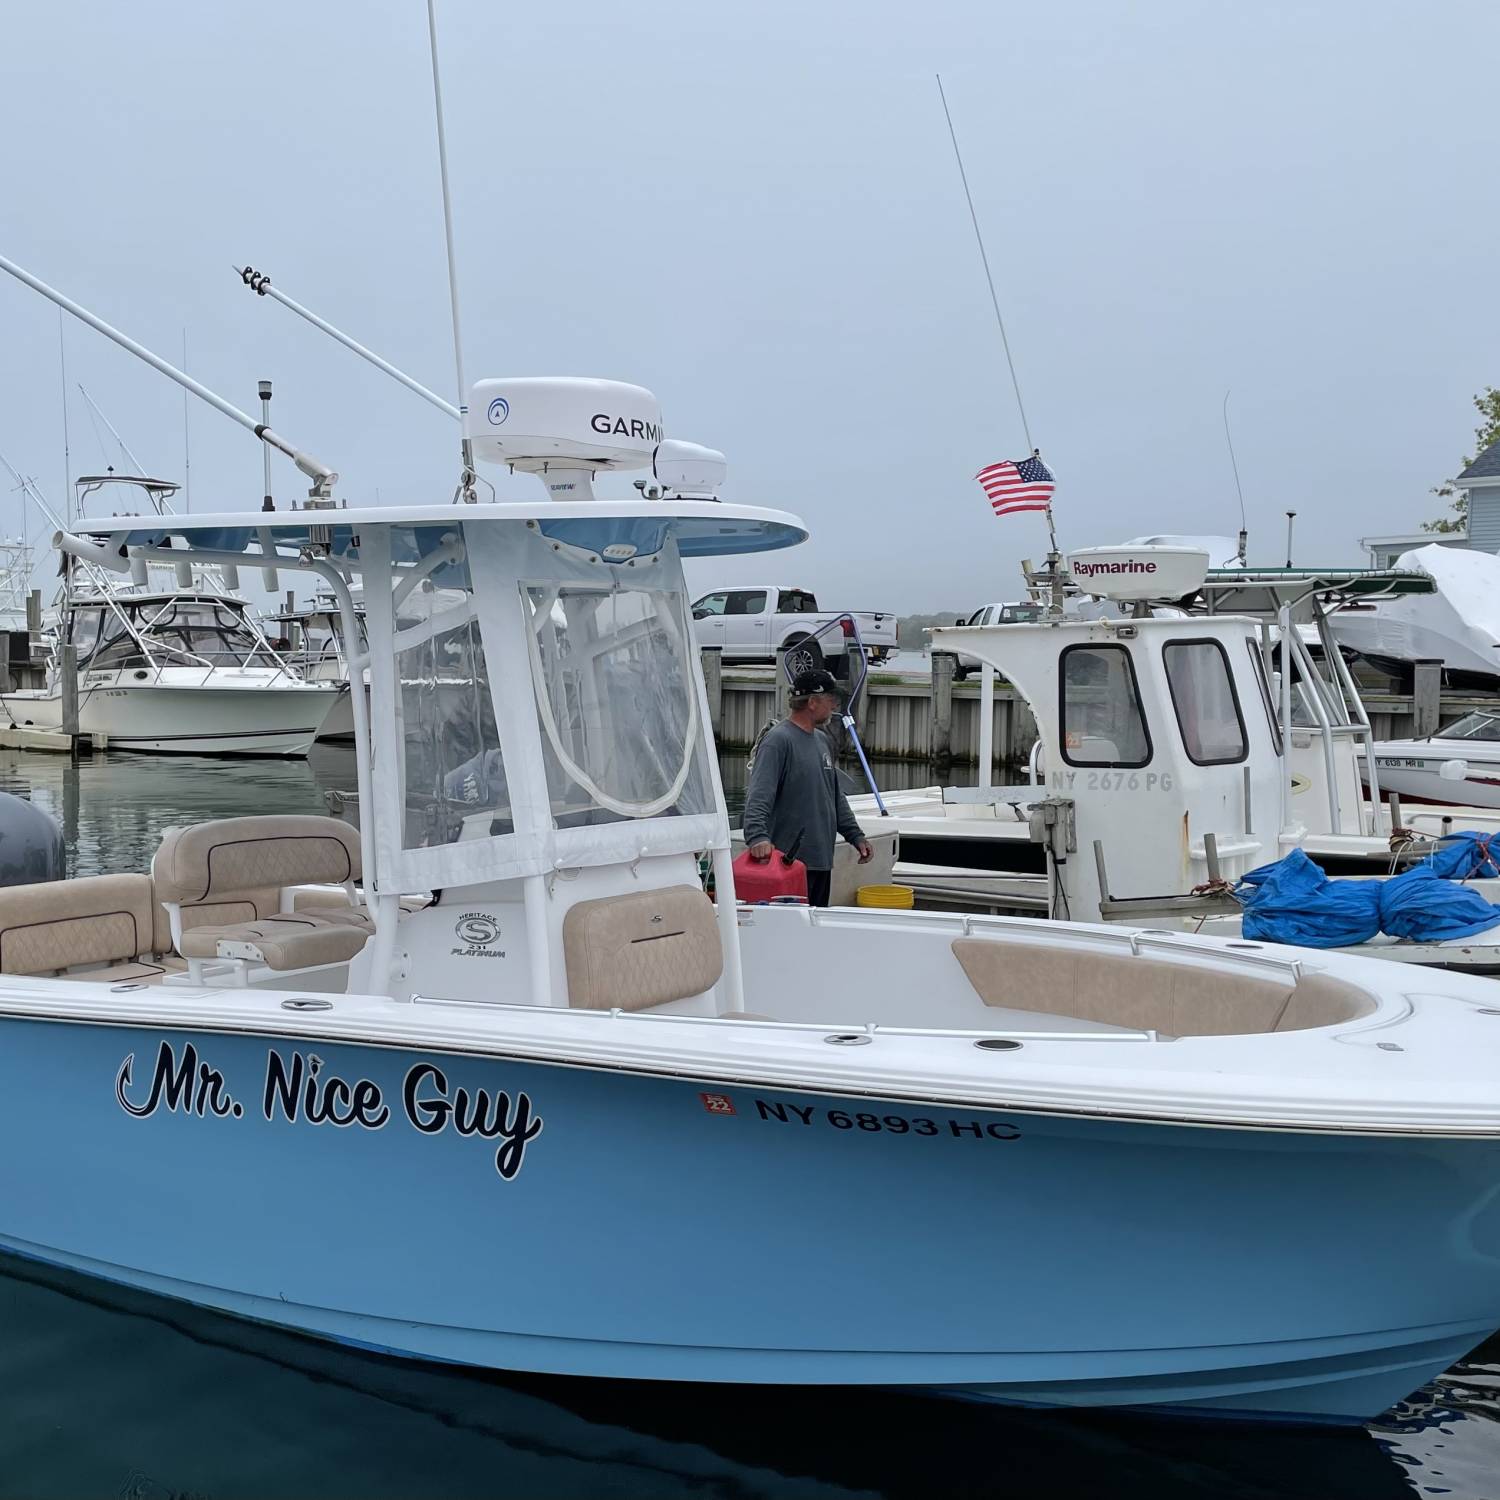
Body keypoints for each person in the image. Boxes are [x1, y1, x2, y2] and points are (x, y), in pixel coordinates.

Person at [742, 668, 872, 907]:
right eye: (831, 700)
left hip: (821, 860)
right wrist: (757, 836)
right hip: (788, 865)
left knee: (813, 934)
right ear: (812, 702)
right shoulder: (778, 741)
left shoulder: (822, 740)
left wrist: (855, 835)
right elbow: (759, 793)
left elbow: (834, 796)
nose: (834, 706)